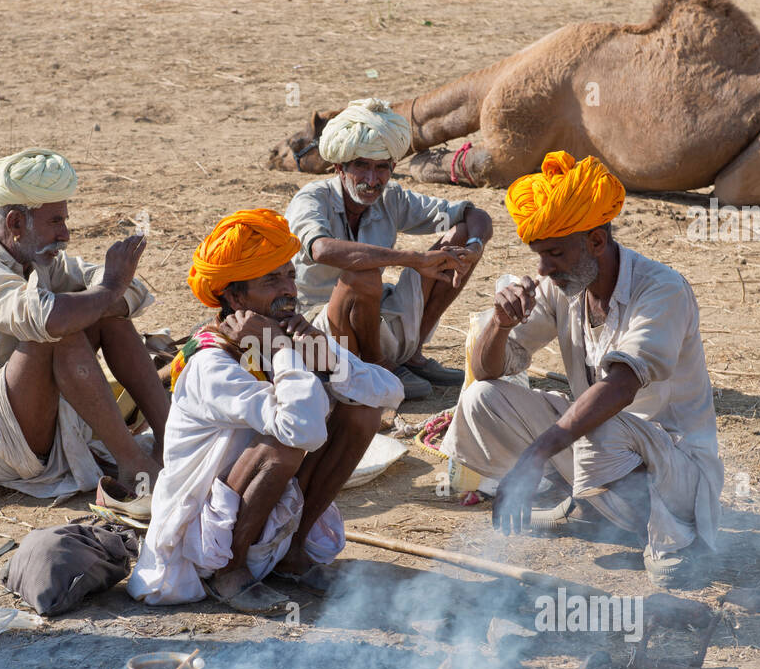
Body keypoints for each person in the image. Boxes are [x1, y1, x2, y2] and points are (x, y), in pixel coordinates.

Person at [441, 152, 723, 586]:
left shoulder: (661, 289)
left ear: (595, 240)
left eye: (554, 253)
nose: (543, 268)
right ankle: (589, 503)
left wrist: (536, 455)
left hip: (677, 467)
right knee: (483, 398)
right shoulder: (564, 287)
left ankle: (676, 536)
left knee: (598, 424)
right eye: (538, 255)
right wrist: (499, 325)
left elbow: (621, 388)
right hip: (608, 450)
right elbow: (487, 371)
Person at [127, 209, 403, 612]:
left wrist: (326, 359)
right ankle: (231, 573)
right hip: (202, 538)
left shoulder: (283, 334)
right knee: (284, 446)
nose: (289, 289)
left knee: (360, 414)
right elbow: (301, 431)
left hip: (268, 516)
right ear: (235, 298)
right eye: (271, 280)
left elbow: (388, 393)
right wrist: (284, 351)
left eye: (290, 275)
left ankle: (291, 554)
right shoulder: (211, 364)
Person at [0, 148, 169, 500]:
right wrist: (110, 287)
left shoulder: (41, 260)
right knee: (58, 330)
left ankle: (171, 439)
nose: (65, 234)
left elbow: (131, 295)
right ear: (16, 225)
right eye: (56, 222)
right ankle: (133, 464)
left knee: (106, 318)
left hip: (30, 421)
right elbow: (52, 319)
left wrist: (106, 294)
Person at [284, 98, 493, 400]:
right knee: (362, 275)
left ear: (393, 167)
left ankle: (411, 354)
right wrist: (414, 259)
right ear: (339, 168)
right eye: (361, 167)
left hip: (372, 318)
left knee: (458, 237)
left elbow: (474, 215)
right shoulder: (311, 199)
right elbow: (321, 250)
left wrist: (474, 247)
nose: (372, 180)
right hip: (317, 330)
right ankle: (377, 367)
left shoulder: (391, 197)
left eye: (382, 168)